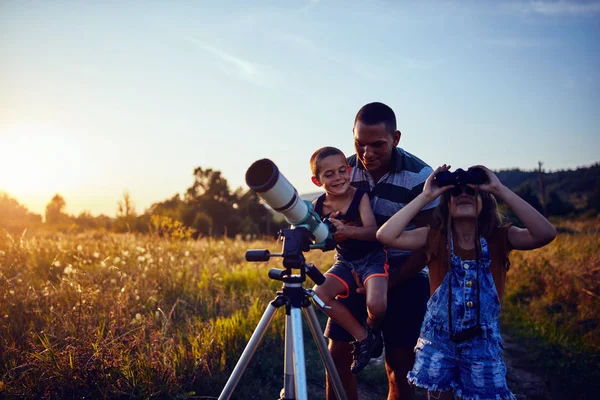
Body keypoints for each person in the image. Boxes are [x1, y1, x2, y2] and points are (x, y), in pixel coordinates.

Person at [376, 164, 557, 400]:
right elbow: (385, 235)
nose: (463, 195)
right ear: (446, 204)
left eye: (471, 192)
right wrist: (427, 195)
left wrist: (499, 189)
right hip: (438, 343)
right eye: (455, 192)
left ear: (486, 202)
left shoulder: (500, 238)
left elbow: (546, 233)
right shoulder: (435, 238)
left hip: (482, 344)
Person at [325, 102, 439, 400]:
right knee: (337, 357)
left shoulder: (420, 176)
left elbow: (430, 244)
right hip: (352, 269)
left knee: (399, 368)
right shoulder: (343, 170)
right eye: (359, 144)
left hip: (406, 274)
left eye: (377, 145)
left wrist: (393, 281)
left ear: (396, 139)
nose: (366, 154)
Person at [309, 146, 388, 374]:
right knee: (318, 294)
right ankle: (362, 337)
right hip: (345, 260)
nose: (338, 178)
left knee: (376, 304)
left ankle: (373, 329)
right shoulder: (317, 206)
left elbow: (374, 231)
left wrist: (348, 231)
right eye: (329, 174)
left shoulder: (359, 195)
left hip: (372, 257)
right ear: (317, 181)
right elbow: (322, 244)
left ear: (350, 171)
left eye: (342, 171)